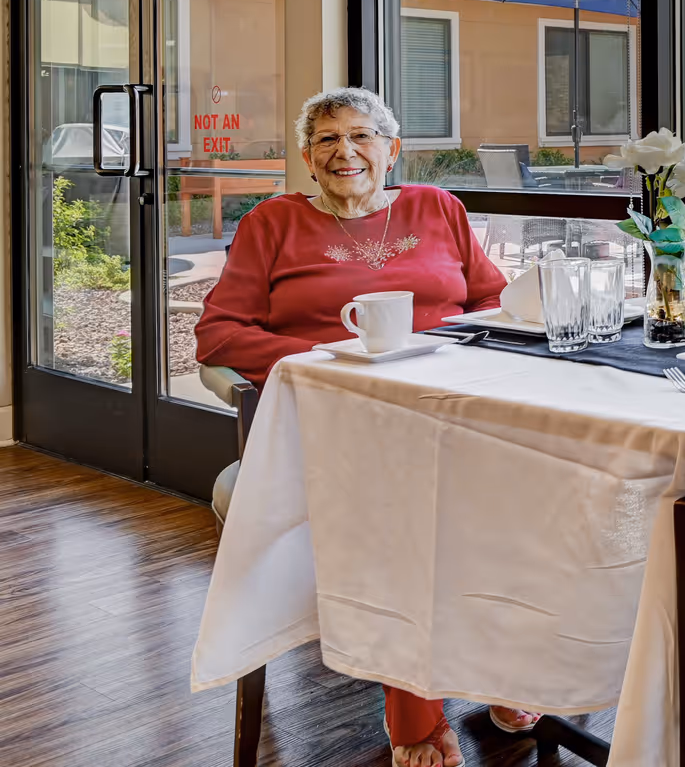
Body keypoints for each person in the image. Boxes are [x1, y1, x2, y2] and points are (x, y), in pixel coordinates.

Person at [197, 87, 540, 767]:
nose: (344, 151)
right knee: (409, 507)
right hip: (328, 423)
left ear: (393, 149)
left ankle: (513, 663)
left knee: (533, 486)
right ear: (306, 157)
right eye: (327, 140)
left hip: (451, 408)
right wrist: (328, 360)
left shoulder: (437, 208)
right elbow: (218, 334)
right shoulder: (273, 223)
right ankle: (414, 709)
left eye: (361, 136)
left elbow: (494, 299)